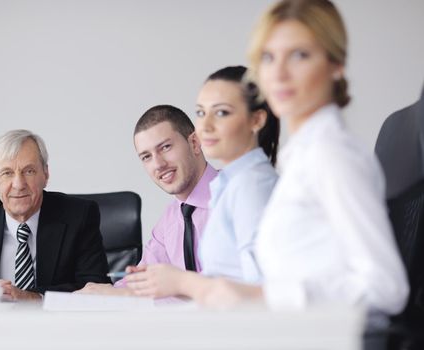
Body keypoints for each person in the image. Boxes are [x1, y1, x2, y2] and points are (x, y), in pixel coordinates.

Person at [194, 0, 409, 315]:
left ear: (335, 65)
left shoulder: (332, 155)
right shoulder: (300, 156)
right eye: (268, 58)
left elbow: (387, 287)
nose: (278, 74)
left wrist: (261, 296)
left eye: (299, 55)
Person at [125, 66, 279, 299]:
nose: (205, 126)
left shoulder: (252, 187)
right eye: (200, 113)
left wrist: (181, 283)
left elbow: (264, 293)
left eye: (221, 113)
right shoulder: (222, 190)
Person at [0, 129, 110, 300]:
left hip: (58, 328)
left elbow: (96, 287)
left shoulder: (79, 216)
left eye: (29, 171)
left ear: (45, 174)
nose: (18, 184)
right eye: (7, 173)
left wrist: (30, 297)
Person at [78, 105, 217, 295]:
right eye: (146, 157)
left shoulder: (238, 197)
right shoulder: (170, 219)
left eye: (166, 147)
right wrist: (104, 295)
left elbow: (237, 287)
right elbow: (142, 281)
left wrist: (127, 294)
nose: (158, 164)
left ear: (194, 143)